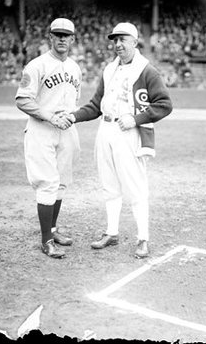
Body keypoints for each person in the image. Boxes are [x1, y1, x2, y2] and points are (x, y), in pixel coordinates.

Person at [64, 22, 173, 258]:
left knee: (135, 188)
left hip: (129, 133)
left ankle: (143, 238)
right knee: (109, 185)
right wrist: (73, 116)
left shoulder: (147, 71)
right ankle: (111, 233)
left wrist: (136, 119)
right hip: (106, 129)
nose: (118, 44)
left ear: (135, 42)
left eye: (123, 39)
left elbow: (164, 105)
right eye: (115, 40)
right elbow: (95, 106)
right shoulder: (109, 69)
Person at [15, 18, 82, 259]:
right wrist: (51, 117)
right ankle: (46, 241)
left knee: (62, 181)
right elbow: (23, 99)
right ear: (50, 37)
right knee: (47, 182)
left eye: (67, 35)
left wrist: (68, 119)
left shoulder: (75, 68)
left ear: (73, 39)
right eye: (58, 34)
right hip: (41, 129)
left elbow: (74, 102)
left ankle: (52, 230)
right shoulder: (37, 65)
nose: (62, 38)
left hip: (67, 129)